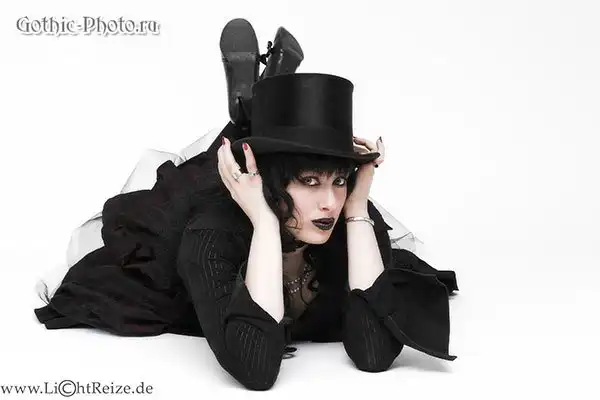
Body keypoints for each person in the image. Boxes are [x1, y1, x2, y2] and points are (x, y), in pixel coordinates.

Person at [33, 20, 458, 392]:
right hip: (202, 242)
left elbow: (374, 354)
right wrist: (265, 223)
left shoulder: (350, 215)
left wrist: (359, 206)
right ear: (274, 187)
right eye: (310, 182)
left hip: (269, 194)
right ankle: (251, 114)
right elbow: (256, 372)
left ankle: (258, 108)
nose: (330, 202)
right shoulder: (210, 237)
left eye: (340, 181)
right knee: (224, 168)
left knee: (282, 172)